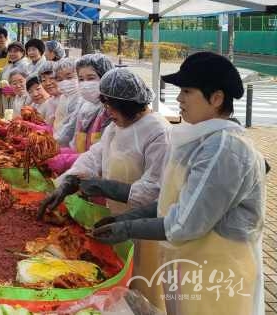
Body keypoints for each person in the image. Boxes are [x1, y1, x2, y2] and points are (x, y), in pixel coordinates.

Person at [91, 52, 266, 315]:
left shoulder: (223, 150)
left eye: (186, 91)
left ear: (216, 98)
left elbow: (184, 224)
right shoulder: (198, 141)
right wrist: (129, 217)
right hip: (189, 264)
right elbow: (171, 201)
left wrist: (129, 228)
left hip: (218, 274)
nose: (178, 99)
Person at [39, 68, 171, 308]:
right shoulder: (115, 127)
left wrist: (106, 187)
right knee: (120, 288)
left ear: (128, 104)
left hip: (147, 227)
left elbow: (155, 189)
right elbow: (94, 156)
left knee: (145, 287)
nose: (107, 112)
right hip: (116, 220)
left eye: (111, 106)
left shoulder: (157, 131)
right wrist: (67, 182)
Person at [52, 57, 82, 147]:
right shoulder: (64, 97)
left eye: (69, 77)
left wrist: (55, 142)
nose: (65, 82)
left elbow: (70, 128)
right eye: (60, 79)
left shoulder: (80, 98)